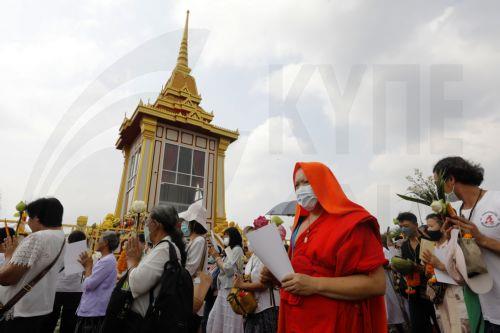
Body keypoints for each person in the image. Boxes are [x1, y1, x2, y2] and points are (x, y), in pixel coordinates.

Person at [262, 162, 387, 332]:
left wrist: (315, 285)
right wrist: (277, 277)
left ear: (324, 182)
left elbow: (377, 284)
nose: (301, 189)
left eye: (307, 182)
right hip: (295, 319)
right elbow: (301, 273)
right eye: (297, 185)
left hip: (335, 322)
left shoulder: (352, 223)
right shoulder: (299, 225)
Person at [434, 156, 500, 332]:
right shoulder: (456, 214)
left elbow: (481, 242)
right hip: (487, 310)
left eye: (437, 184)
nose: (436, 191)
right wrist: (453, 243)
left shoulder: (496, 201)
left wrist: (482, 239)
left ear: (451, 179)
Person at [0, 198, 66, 332]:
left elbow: (7, 278)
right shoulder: (62, 238)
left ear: (36, 218)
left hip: (20, 312)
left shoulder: (38, 237)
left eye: (29, 218)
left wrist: (8, 256)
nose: (28, 222)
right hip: (40, 308)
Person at [121, 205, 187, 331]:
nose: (145, 226)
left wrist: (132, 260)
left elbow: (136, 284)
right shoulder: (160, 247)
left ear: (156, 224)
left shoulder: (164, 250)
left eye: (147, 222)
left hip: (145, 322)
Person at [421, 214, 470, 333]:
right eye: (427, 227)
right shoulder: (429, 247)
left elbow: (464, 275)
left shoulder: (455, 245)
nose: (428, 230)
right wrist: (428, 271)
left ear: (443, 224)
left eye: (431, 226)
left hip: (458, 296)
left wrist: (440, 265)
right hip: (440, 299)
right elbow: (428, 275)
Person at [397, 212, 440, 333]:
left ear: (415, 225)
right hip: (413, 293)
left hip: (432, 290)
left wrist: (420, 268)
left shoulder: (428, 240)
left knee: (440, 323)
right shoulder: (404, 246)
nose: (403, 229)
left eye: (405, 225)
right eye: (400, 227)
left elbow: (435, 265)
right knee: (419, 327)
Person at [234, 224, 279, 333]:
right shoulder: (253, 257)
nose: (246, 243)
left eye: (248, 239)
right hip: (253, 308)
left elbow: (263, 285)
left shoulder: (264, 255)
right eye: (244, 239)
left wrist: (241, 285)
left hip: (266, 309)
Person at [42, 230, 87, 333]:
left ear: (69, 239)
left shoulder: (61, 249)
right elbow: (86, 271)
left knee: (50, 318)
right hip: (75, 290)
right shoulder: (84, 252)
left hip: (57, 288)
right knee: (69, 320)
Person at [75, 231, 119, 333]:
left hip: (93, 312)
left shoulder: (107, 261)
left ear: (105, 243)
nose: (97, 242)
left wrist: (88, 267)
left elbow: (88, 285)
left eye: (99, 240)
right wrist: (87, 267)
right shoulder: (104, 259)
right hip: (92, 309)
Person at [206, 227, 245, 333]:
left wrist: (217, 257)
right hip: (224, 288)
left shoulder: (237, 249)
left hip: (231, 289)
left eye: (227, 236)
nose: (225, 238)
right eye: (224, 236)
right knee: (217, 318)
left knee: (229, 320)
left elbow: (228, 269)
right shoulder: (229, 250)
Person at [180, 201, 209, 332]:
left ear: (193, 223)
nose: (184, 224)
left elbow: (190, 268)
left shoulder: (199, 241)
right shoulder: (192, 240)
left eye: (187, 221)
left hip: (192, 287)